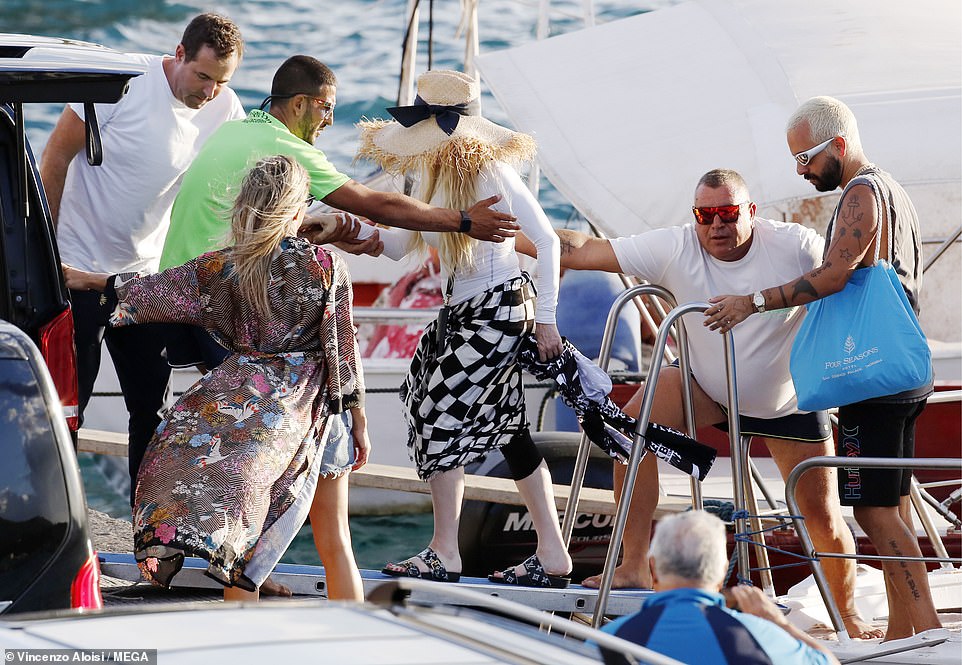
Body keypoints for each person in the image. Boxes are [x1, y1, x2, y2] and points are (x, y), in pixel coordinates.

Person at [517, 168, 880, 638]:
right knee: (627, 435)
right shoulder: (677, 244)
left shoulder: (795, 245)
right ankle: (632, 566)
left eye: (728, 214)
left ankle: (846, 613)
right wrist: (504, 236)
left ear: (750, 212)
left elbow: (846, 272)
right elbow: (580, 249)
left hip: (786, 400)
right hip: (706, 387)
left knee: (823, 517)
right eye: (705, 215)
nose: (717, 226)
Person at [63, 155, 370, 602]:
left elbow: (149, 292)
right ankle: (358, 644)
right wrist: (357, 418)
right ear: (299, 209)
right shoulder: (325, 265)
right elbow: (342, 348)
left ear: (244, 204)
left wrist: (88, 281)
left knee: (240, 554)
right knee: (336, 540)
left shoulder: (224, 266)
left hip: (251, 415)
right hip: (322, 412)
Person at [706, 96, 940, 641]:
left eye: (806, 157)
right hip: (902, 368)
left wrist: (754, 301)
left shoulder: (861, 192)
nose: (801, 169)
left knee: (873, 514)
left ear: (838, 143)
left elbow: (835, 275)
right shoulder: (892, 189)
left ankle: (925, 631)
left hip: (872, 377)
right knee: (893, 508)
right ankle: (905, 634)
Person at [159, 55, 521, 370]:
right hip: (217, 301)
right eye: (326, 107)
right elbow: (372, 202)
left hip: (175, 291)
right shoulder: (283, 145)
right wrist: (463, 220)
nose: (330, 121)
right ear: (300, 104)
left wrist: (329, 227)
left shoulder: (231, 132)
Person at [355, 69, 571, 587]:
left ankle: (445, 551)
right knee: (509, 430)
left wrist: (546, 323)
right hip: (468, 311)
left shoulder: (491, 172)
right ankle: (554, 554)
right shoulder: (427, 172)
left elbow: (548, 242)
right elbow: (401, 245)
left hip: (499, 308)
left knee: (435, 412)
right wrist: (352, 236)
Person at [39, 13, 246, 502]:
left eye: (222, 81)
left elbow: (241, 184)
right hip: (74, 269)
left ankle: (147, 533)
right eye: (203, 76)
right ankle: (52, 522)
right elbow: (54, 156)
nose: (210, 91)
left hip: (144, 282)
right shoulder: (122, 85)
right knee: (70, 408)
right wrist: (46, 251)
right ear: (178, 55)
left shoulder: (225, 108)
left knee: (151, 410)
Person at [601, 510, 838, 665]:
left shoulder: (609, 639)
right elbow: (828, 662)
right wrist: (779, 623)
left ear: (653, 568)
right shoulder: (760, 636)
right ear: (723, 570)